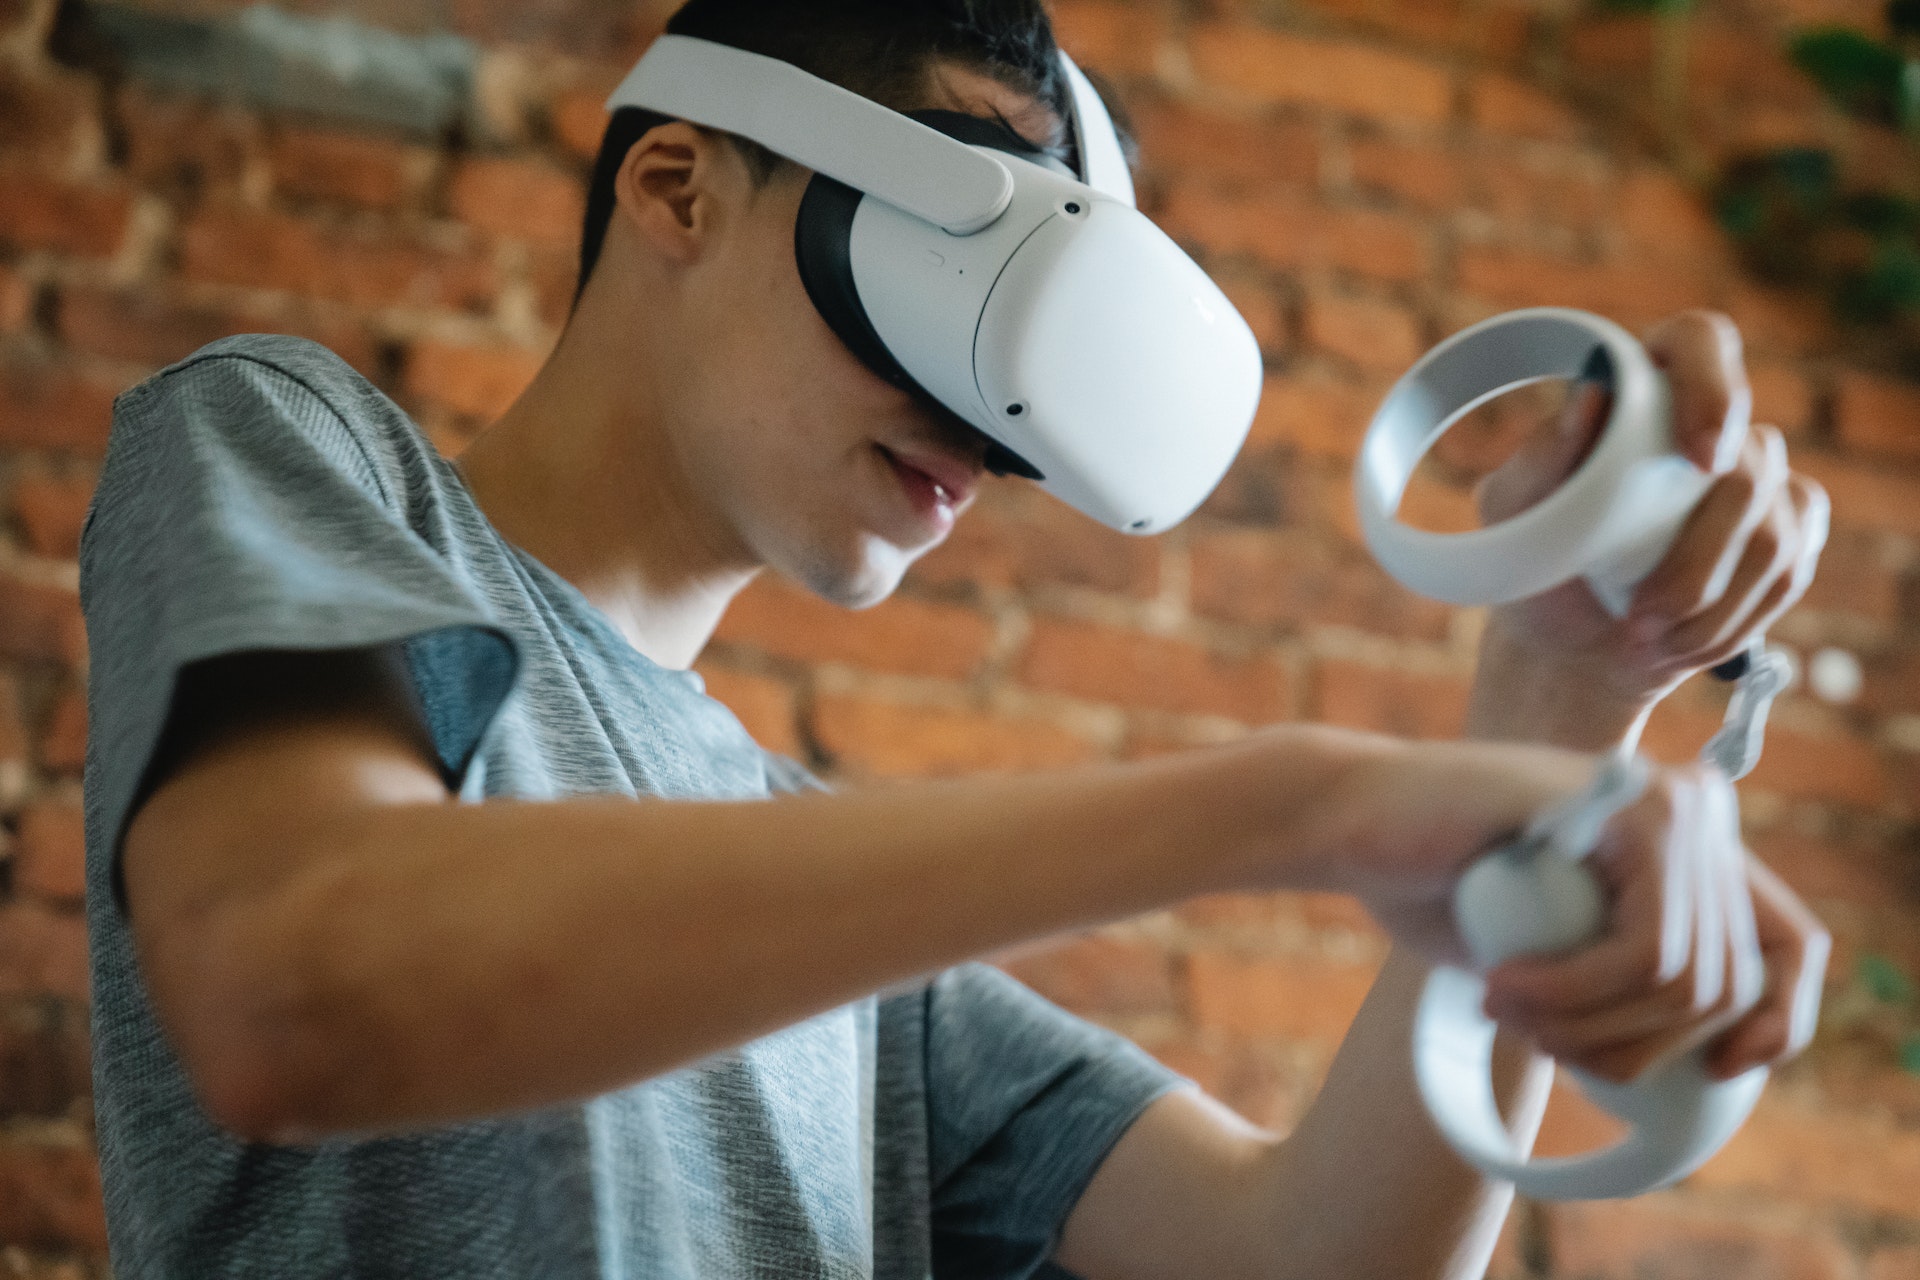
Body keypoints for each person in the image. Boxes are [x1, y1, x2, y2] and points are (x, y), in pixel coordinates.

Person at [79, 1, 1833, 1276]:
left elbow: (1317, 1259)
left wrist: (1563, 697)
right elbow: (292, 986)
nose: (995, 445)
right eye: (967, 285)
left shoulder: (835, 933)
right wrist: (1303, 799)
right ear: (681, 189)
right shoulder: (299, 447)